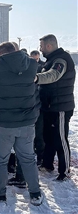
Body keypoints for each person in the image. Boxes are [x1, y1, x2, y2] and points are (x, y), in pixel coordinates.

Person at [0, 42, 43, 206]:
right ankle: (35, 194)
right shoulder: (32, 64)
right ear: (16, 50)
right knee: (28, 159)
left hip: (2, 123)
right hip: (26, 122)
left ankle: (0, 194)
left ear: (0, 53)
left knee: (0, 161)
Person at [36, 34, 76, 181]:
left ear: (48, 46)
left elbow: (53, 75)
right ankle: (47, 164)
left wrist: (37, 78)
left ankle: (64, 171)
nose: (40, 50)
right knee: (48, 138)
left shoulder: (61, 60)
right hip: (49, 106)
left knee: (60, 139)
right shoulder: (51, 60)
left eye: (41, 47)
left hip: (60, 107)